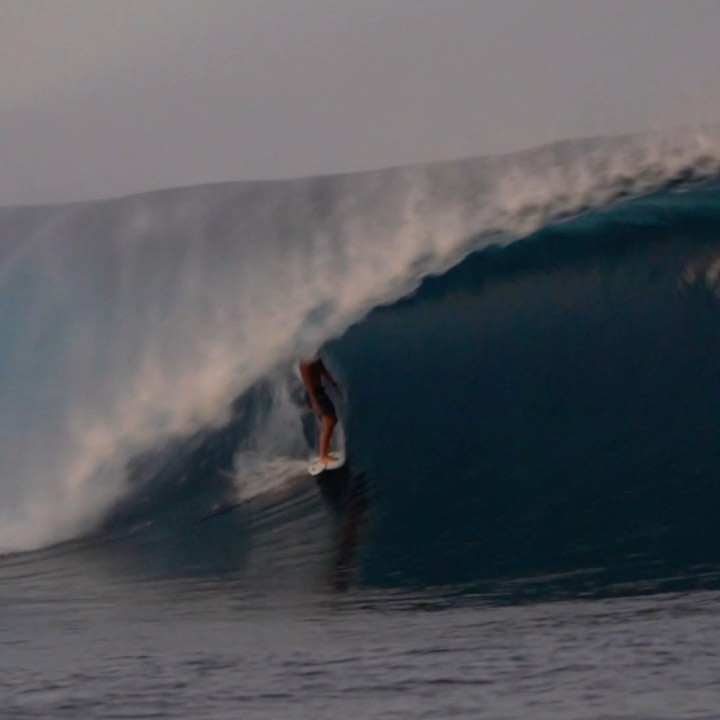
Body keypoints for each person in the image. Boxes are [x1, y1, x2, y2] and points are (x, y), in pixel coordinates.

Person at [299, 354, 342, 466]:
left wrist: (334, 384)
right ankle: (323, 456)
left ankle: (325, 450)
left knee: (332, 421)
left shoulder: (314, 357)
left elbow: (322, 369)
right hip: (314, 395)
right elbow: (309, 386)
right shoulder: (305, 363)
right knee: (329, 422)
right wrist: (314, 402)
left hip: (320, 392)